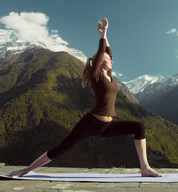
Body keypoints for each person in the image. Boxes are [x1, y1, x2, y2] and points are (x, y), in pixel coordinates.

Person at [10, 17, 163, 178]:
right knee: (61, 149)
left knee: (139, 127)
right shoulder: (95, 75)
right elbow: (102, 52)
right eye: (107, 60)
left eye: (110, 59)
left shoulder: (108, 74)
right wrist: (102, 35)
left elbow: (108, 51)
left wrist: (106, 33)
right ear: (99, 62)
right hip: (91, 123)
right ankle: (24, 170)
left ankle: (145, 168)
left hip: (108, 125)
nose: (111, 60)